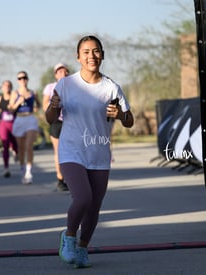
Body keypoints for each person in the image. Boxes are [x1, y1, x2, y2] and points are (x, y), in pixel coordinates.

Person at [46, 35, 134, 268]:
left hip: (98, 153)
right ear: (78, 57)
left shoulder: (111, 87)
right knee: (83, 198)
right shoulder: (66, 84)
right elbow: (50, 118)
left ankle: (83, 249)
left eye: (95, 51)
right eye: (86, 52)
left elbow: (129, 120)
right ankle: (69, 237)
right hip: (71, 151)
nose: (91, 56)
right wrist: (54, 107)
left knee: (94, 205)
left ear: (102, 55)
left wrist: (121, 115)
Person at [8, 71, 41, 184]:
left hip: (30, 119)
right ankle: (22, 168)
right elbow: (11, 109)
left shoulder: (33, 92)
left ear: (27, 79)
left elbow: (39, 104)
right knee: (21, 149)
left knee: (29, 146)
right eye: (20, 78)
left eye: (24, 78)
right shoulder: (14, 93)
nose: (23, 80)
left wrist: (36, 106)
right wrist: (18, 102)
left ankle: (28, 172)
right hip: (19, 120)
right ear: (17, 80)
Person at [42, 63, 70, 191]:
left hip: (70, 121)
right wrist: (53, 107)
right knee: (58, 151)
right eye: (59, 72)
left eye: (64, 72)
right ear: (55, 74)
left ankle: (71, 177)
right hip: (56, 122)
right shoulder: (50, 87)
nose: (62, 74)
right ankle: (60, 178)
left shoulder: (74, 87)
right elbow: (44, 105)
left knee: (71, 151)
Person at [0, 80, 18, 178]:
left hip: (14, 123)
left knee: (14, 143)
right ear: (2, 88)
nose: (7, 87)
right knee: (5, 144)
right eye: (5, 86)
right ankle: (6, 168)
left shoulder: (14, 96)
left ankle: (15, 151)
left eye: (9, 85)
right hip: (4, 123)